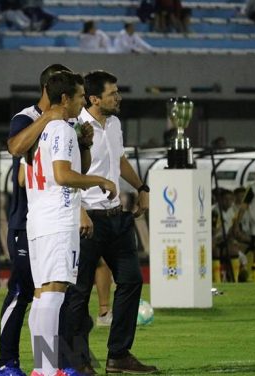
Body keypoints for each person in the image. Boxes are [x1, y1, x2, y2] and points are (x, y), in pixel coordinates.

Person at [25, 70, 117, 376]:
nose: (81, 102)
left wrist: (86, 149)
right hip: (58, 221)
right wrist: (98, 179)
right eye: (79, 96)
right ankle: (48, 370)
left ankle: (43, 367)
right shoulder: (62, 130)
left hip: (39, 220)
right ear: (65, 99)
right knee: (54, 293)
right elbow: (63, 175)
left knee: (42, 295)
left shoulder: (49, 128)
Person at [67, 70, 158, 374]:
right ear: (94, 99)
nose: (118, 97)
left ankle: (118, 354)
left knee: (132, 281)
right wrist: (78, 209)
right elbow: (66, 173)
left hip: (117, 216)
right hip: (88, 219)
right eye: (113, 93)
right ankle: (78, 360)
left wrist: (142, 188)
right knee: (79, 292)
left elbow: (119, 162)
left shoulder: (115, 124)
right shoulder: (75, 126)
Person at [0, 64, 72, 376]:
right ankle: (7, 363)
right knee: (23, 291)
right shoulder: (26, 118)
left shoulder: (68, 121)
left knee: (55, 293)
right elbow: (15, 148)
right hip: (26, 222)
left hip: (56, 221)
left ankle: (52, 365)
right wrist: (46, 118)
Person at [212, 188, 240, 283]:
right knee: (216, 250)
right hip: (213, 240)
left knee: (234, 249)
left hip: (225, 239)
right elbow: (213, 232)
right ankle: (217, 281)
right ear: (220, 200)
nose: (228, 202)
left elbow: (234, 226)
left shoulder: (233, 210)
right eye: (226, 199)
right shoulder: (214, 211)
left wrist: (233, 233)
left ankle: (235, 281)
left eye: (230, 199)